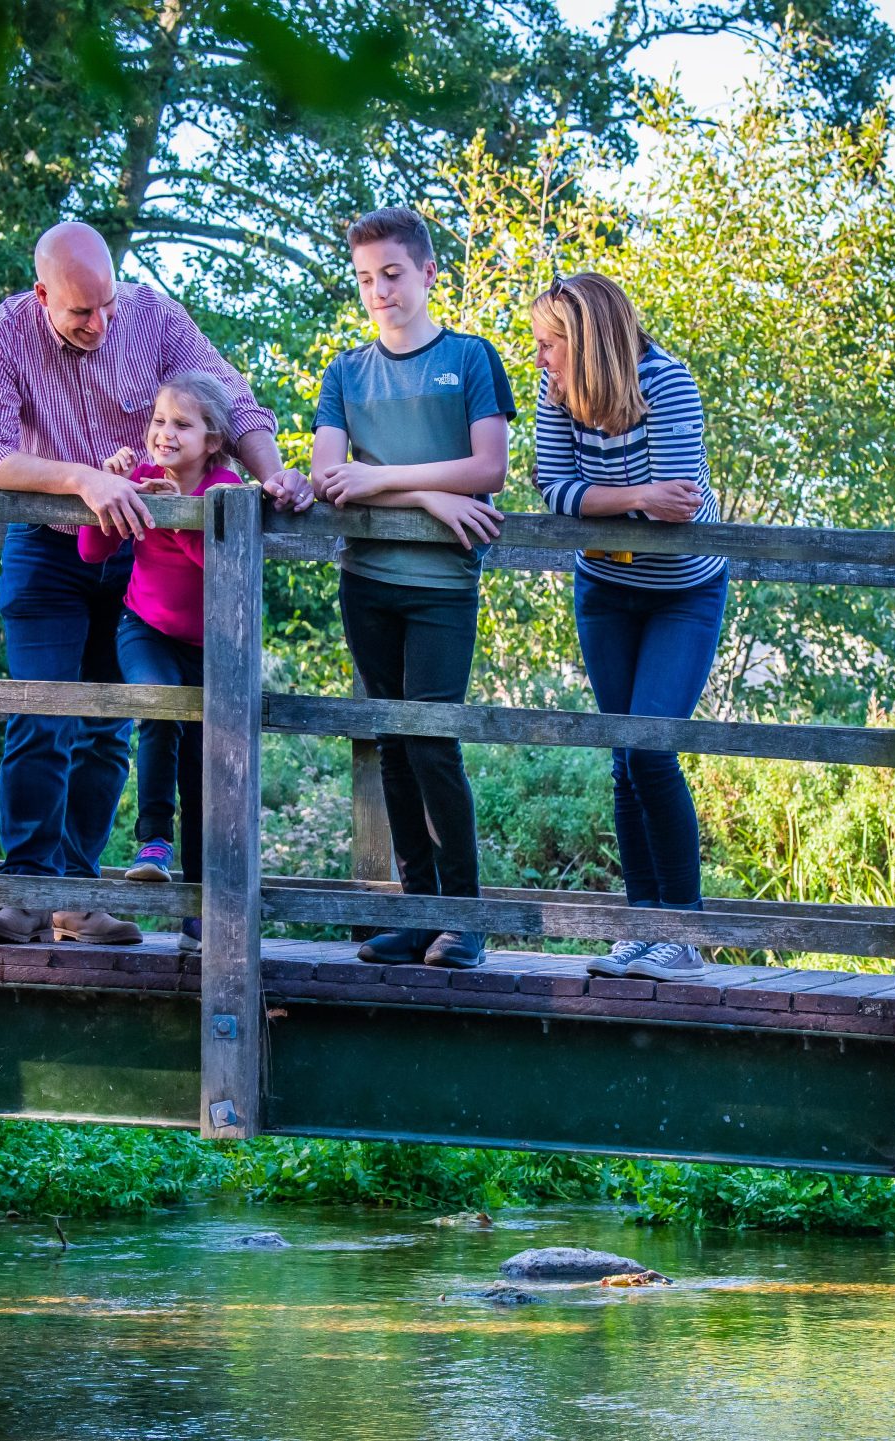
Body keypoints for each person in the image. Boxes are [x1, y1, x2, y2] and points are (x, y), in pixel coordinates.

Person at [0, 221, 301, 946]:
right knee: (41, 715)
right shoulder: (2, 336)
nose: (100, 322)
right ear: (43, 293)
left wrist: (271, 475)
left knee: (113, 725)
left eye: (106, 304)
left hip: (146, 549)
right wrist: (81, 478)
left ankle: (77, 898)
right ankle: (26, 891)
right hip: (50, 545)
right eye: (81, 312)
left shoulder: (152, 315)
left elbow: (231, 399)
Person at [267, 207, 512, 970]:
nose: (380, 291)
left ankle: (463, 918)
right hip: (366, 581)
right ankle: (415, 913)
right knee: (392, 749)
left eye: (394, 275)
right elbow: (330, 480)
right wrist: (428, 498)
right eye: (367, 279)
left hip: (442, 585)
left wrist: (386, 478)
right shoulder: (344, 374)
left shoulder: (472, 359)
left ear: (429, 273)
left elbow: (489, 470)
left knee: (433, 743)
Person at [528, 274, 724, 980]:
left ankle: (682, 934)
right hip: (606, 589)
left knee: (650, 748)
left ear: (586, 339)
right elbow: (554, 489)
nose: (541, 358)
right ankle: (641, 928)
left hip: (683, 594)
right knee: (621, 752)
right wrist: (636, 494)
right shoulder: (557, 396)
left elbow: (681, 501)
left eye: (550, 343)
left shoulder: (667, 383)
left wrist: (610, 501)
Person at [77, 368, 243, 954]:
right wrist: (111, 489)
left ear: (213, 439)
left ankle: (198, 915)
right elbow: (93, 549)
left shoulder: (224, 487)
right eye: (157, 421)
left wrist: (176, 519)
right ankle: (153, 842)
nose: (164, 434)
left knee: (203, 765)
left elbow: (219, 567)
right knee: (157, 708)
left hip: (209, 646)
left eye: (181, 425)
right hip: (143, 629)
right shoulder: (141, 477)